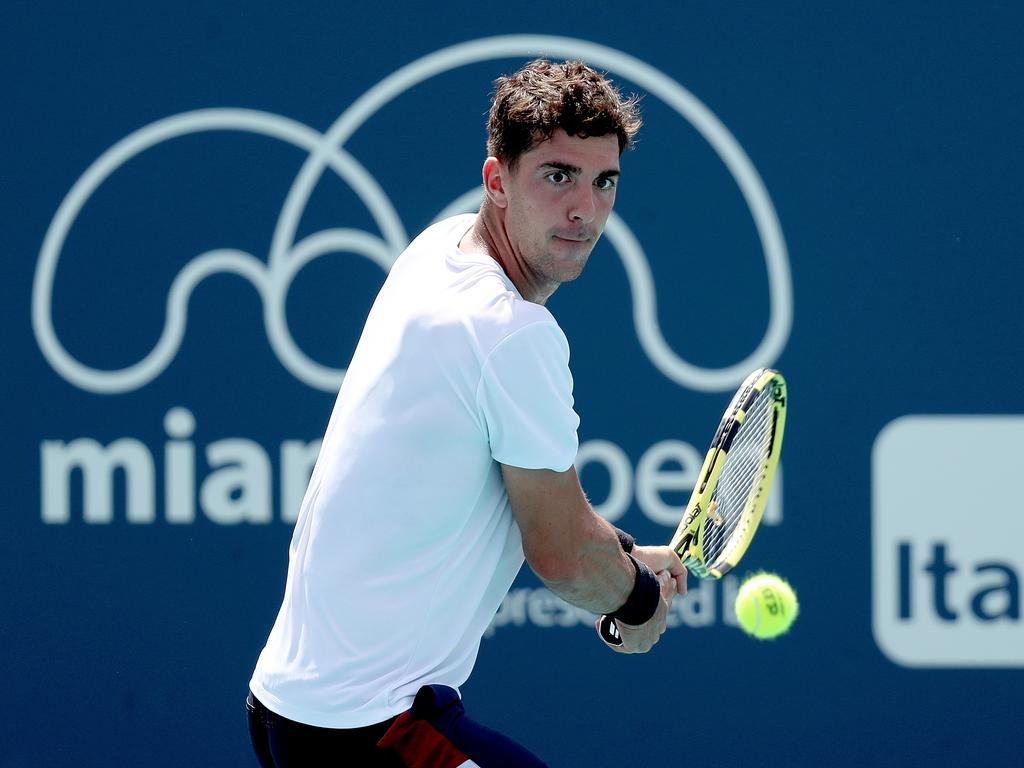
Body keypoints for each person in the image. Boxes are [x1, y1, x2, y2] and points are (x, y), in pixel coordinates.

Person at [247, 58, 688, 767]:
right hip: (372, 729)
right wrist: (634, 604)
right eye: (557, 175)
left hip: (286, 710)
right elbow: (563, 555)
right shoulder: (512, 332)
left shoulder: (440, 249)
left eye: (603, 181)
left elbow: (556, 519)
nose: (586, 208)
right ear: (497, 182)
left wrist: (627, 561)